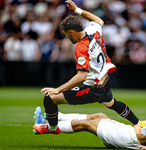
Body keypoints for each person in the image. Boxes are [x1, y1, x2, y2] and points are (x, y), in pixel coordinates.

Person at [40, 0, 139, 133]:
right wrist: (77, 10)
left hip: (91, 89)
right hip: (105, 81)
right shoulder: (93, 30)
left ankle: (52, 127)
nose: (67, 37)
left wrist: (58, 89)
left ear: (72, 32)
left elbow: (82, 76)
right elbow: (99, 20)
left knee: (50, 98)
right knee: (111, 103)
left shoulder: (81, 48)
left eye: (66, 34)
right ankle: (138, 123)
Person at [34, 86, 146, 150]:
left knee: (87, 124)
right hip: (129, 137)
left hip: (127, 137)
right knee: (100, 116)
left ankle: (47, 127)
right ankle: (57, 116)